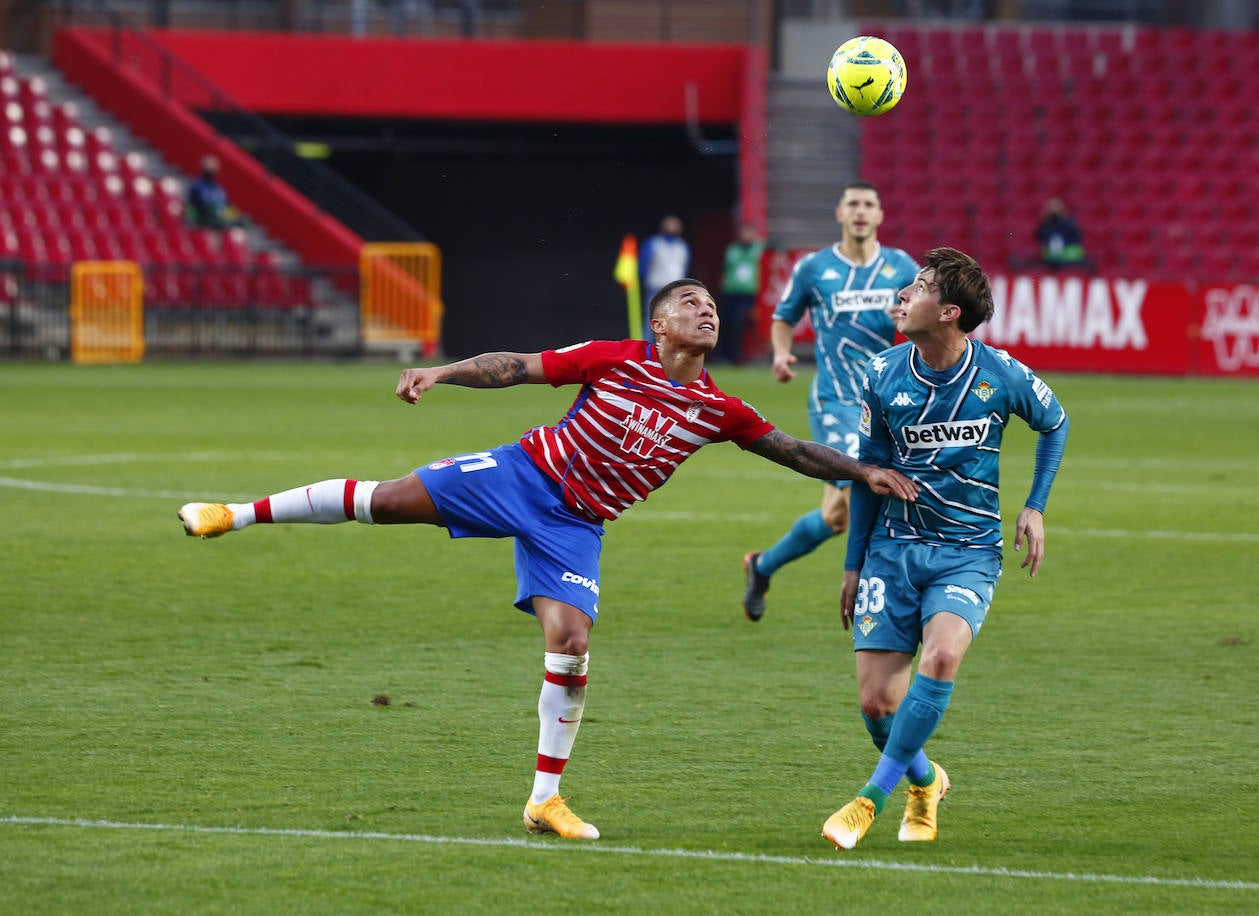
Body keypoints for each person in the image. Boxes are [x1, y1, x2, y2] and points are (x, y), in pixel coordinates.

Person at [177, 278, 919, 841]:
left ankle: (543, 800)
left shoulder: (720, 410)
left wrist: (862, 473)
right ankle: (232, 513)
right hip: (522, 474)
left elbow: (790, 449)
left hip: (576, 525)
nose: (706, 312)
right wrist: (440, 373)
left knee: (571, 643)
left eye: (711, 307)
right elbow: (518, 367)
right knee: (389, 500)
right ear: (658, 323)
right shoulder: (613, 359)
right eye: (690, 304)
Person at [820, 247, 1069, 850]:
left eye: (919, 288)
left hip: (967, 553)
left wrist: (1034, 505)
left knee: (941, 660)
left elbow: (1054, 422)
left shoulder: (1000, 374)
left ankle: (869, 800)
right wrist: (853, 565)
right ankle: (925, 782)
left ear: (950, 312)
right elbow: (869, 475)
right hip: (892, 551)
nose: (903, 296)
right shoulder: (882, 374)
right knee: (877, 704)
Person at [741, 181, 918, 621]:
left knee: (837, 515)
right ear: (839, 214)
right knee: (863, 482)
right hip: (836, 401)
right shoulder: (814, 268)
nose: (860, 211)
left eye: (868, 204)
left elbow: (929, 320)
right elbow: (783, 318)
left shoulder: (901, 266)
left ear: (880, 215)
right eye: (852, 204)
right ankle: (878, 593)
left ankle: (762, 566)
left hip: (887, 402)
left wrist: (909, 318)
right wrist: (782, 353)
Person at [716, 222, 766, 364]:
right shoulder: (733, 249)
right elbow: (725, 269)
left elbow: (776, 246)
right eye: (744, 233)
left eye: (749, 233)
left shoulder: (757, 248)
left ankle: (743, 355)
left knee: (745, 324)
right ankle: (726, 355)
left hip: (749, 294)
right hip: (731, 292)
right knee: (728, 323)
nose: (746, 236)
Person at [638, 215, 690, 338]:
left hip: (676, 290)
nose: (672, 227)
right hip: (656, 288)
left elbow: (685, 267)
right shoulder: (653, 243)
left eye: (675, 224)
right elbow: (643, 266)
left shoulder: (682, 246)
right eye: (670, 224)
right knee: (651, 320)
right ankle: (645, 350)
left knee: (674, 321)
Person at [184, 155, 238, 230]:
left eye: (213, 167)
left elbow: (227, 206)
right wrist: (191, 220)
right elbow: (191, 208)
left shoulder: (219, 189)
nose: (211, 170)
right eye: (208, 167)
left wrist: (233, 215)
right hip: (204, 221)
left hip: (219, 220)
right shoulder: (196, 186)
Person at [1034, 197, 1087, 270]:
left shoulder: (1070, 224)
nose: (1054, 212)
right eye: (1051, 209)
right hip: (1050, 260)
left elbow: (1078, 239)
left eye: (1056, 209)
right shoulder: (1045, 226)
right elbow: (1038, 238)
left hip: (1070, 260)